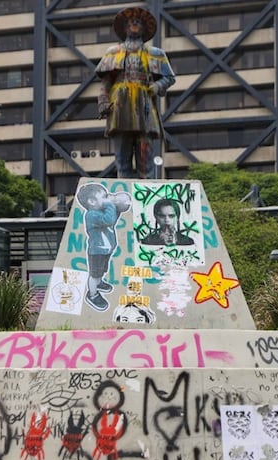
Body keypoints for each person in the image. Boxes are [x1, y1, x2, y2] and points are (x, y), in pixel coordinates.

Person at [96, 6, 175, 179]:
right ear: (124, 28)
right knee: (122, 159)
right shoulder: (113, 52)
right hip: (119, 107)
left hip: (145, 106)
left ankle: (145, 194)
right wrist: (103, 101)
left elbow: (169, 78)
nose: (134, 23)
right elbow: (106, 81)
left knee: (145, 159)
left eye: (138, 22)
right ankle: (124, 194)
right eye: (131, 22)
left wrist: (157, 86)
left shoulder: (156, 54)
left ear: (144, 29)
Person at [77, 183, 130, 312]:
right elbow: (109, 220)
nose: (108, 198)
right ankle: (92, 294)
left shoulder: (103, 212)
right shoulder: (91, 215)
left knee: (102, 269)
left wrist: (118, 206)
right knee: (94, 274)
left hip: (106, 249)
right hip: (97, 251)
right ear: (92, 201)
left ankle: (99, 282)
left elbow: (113, 219)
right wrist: (110, 204)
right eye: (104, 197)